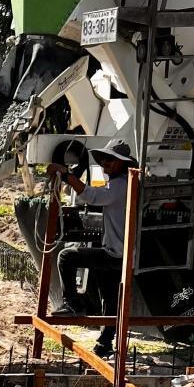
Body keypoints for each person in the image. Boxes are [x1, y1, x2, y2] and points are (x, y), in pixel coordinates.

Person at [51, 137, 133, 359]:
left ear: (122, 163)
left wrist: (66, 176)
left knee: (66, 256)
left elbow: (92, 196)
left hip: (115, 253)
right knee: (109, 296)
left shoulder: (119, 184)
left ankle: (74, 303)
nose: (106, 163)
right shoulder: (123, 182)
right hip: (120, 252)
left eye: (111, 160)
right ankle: (105, 342)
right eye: (105, 159)